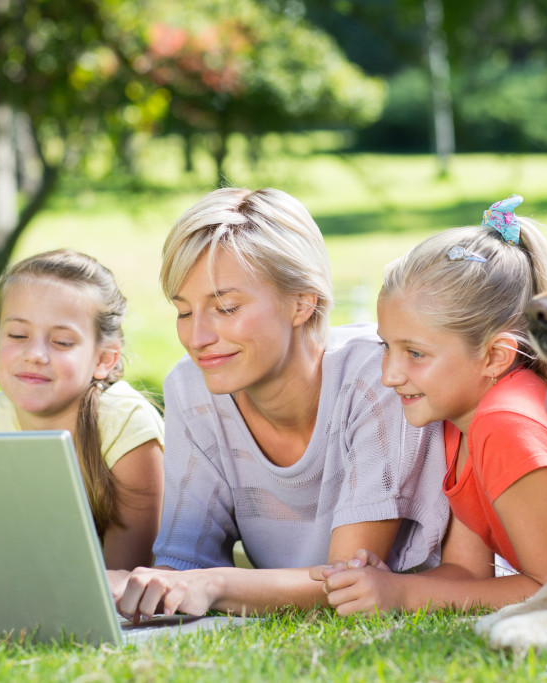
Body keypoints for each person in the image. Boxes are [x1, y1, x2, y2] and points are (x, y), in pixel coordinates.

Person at [109, 187, 449, 620]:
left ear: (302, 303)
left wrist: (214, 584)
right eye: (183, 311)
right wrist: (139, 586)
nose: (197, 339)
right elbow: (182, 560)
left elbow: (348, 581)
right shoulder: (190, 389)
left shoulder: (379, 380)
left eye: (226, 308)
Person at [312, 195, 547, 614]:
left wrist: (402, 595)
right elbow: (468, 573)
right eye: (387, 347)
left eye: (415, 353)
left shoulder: (505, 425)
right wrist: (383, 584)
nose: (389, 375)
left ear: (494, 356)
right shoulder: (464, 417)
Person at [0, 249, 165, 571]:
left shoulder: (125, 424)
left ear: (104, 359)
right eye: (18, 335)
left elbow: (125, 574)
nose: (36, 354)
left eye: (62, 342)